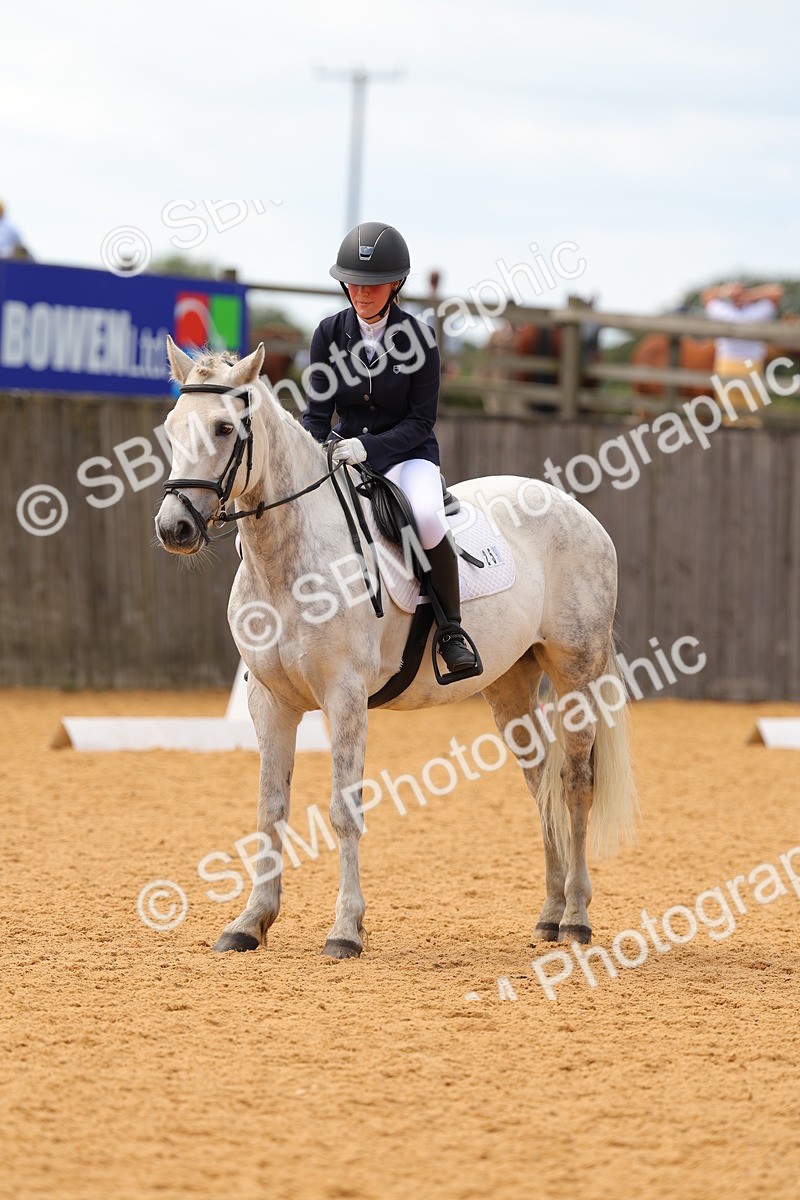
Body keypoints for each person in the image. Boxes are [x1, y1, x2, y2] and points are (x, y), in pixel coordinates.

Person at [302, 221, 481, 679]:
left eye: (374, 284)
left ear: (396, 283)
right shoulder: (327, 334)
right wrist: (310, 453)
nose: (362, 293)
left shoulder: (420, 339)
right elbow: (317, 415)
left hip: (409, 455)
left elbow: (421, 421)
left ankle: (451, 631)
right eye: (354, 283)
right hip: (343, 454)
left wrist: (369, 447)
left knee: (423, 516)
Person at [701, 281, 784, 421]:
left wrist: (727, 291)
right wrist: (751, 294)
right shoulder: (758, 312)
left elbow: (707, 295)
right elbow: (777, 292)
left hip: (728, 364)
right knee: (747, 412)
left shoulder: (723, 312)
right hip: (748, 365)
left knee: (733, 412)